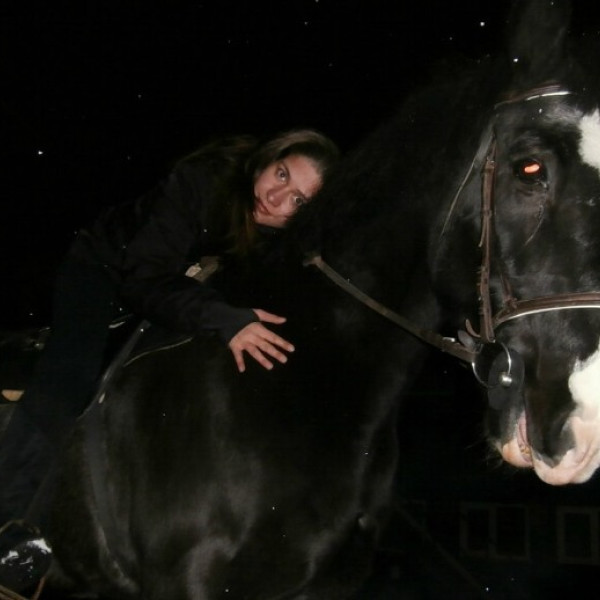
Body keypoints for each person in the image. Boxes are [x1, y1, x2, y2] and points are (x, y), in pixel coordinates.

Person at [0, 128, 340, 594]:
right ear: (268, 159)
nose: (277, 198)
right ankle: (10, 529)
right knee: (70, 380)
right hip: (107, 270)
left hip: (178, 293)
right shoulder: (204, 181)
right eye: (281, 175)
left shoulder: (286, 240)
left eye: (298, 200)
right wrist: (223, 317)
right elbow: (145, 278)